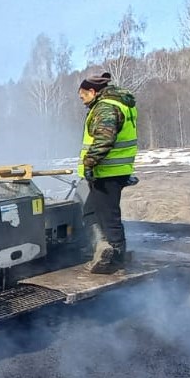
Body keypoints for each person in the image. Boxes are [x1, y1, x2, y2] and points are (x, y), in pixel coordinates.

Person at [77, 72, 138, 274]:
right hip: (115, 169)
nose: (82, 100)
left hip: (106, 171)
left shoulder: (105, 108)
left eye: (83, 96)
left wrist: (89, 163)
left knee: (108, 217)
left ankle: (116, 259)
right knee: (91, 212)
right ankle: (103, 249)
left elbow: (104, 140)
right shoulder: (120, 104)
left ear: (93, 91)